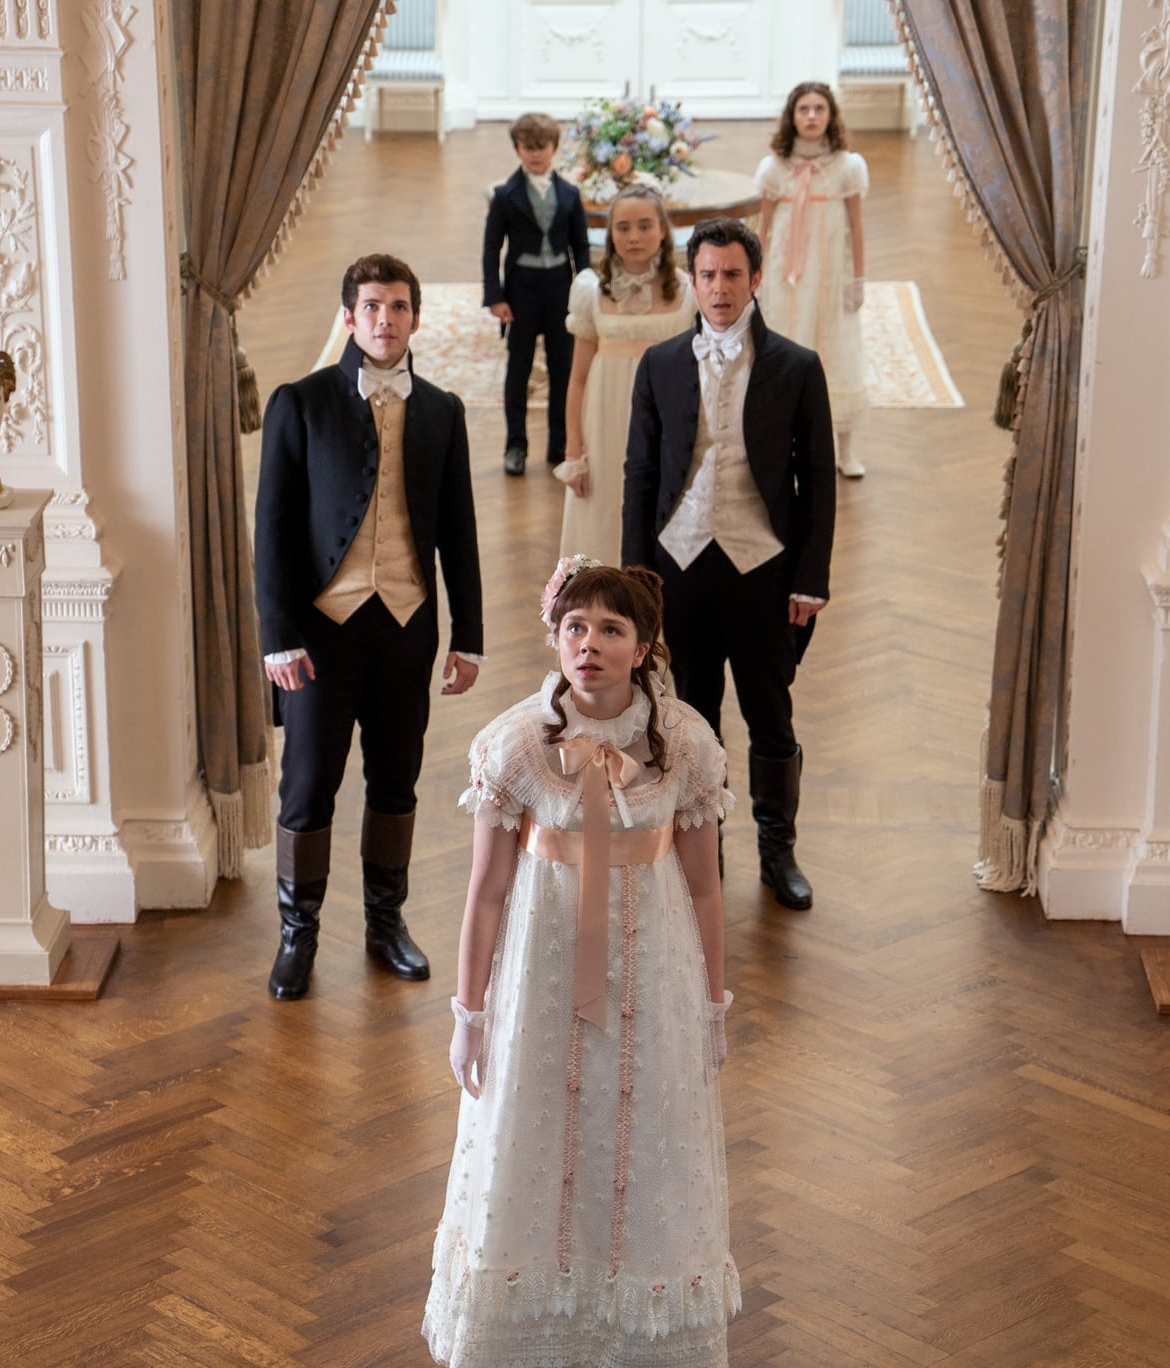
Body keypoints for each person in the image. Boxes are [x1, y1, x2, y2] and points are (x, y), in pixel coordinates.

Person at [425, 557, 738, 1368]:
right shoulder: (516, 746)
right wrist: (469, 1015)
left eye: (610, 629)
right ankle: (538, 1327)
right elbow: (487, 892)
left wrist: (711, 1006)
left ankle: (635, 1328)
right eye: (574, 627)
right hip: (543, 975)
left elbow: (705, 891)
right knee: (539, 1133)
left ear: (642, 648)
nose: (588, 644)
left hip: (654, 973)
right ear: (554, 638)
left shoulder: (688, 746)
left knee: (643, 1135)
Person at [254, 253, 485, 1001]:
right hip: (321, 633)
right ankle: (299, 935)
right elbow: (275, 532)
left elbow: (459, 531)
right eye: (372, 308)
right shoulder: (301, 402)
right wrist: (277, 637)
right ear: (348, 319)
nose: (385, 321)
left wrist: (468, 634)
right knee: (309, 783)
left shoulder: (444, 413)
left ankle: (387, 925)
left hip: (407, 625)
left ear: (415, 316)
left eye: (399, 307)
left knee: (397, 779)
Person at [623, 216, 836, 912]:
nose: (719, 288)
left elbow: (820, 481)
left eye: (732, 275)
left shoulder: (797, 367)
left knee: (771, 716)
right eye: (708, 275)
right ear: (693, 278)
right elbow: (640, 472)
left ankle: (779, 852)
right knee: (690, 718)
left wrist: (810, 578)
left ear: (755, 279)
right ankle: (701, 854)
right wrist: (633, 586)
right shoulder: (657, 364)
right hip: (677, 568)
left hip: (764, 568)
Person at [554, 183, 696, 564]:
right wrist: (574, 452)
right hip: (604, 428)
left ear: (663, 230)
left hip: (664, 425)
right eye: (623, 227)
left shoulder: (689, 292)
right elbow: (578, 378)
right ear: (610, 232)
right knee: (602, 522)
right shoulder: (590, 292)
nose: (634, 237)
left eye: (645, 226)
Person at [755, 81, 870, 479]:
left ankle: (846, 447)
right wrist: (757, 278)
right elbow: (764, 228)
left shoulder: (848, 167)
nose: (811, 116)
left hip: (831, 273)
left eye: (819, 109)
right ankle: (788, 443)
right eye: (803, 109)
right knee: (790, 349)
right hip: (788, 280)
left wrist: (858, 278)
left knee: (836, 348)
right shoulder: (774, 169)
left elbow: (856, 227)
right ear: (792, 116)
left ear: (830, 116)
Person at [482, 112, 591, 477]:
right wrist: (496, 296)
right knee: (519, 369)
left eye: (541, 147)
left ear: (554, 148)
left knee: (564, 371)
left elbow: (581, 248)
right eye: (527, 148)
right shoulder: (505, 196)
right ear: (517, 150)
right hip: (522, 291)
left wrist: (583, 290)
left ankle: (559, 443)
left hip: (560, 288)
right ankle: (516, 445)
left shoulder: (570, 195)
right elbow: (491, 248)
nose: (535, 155)